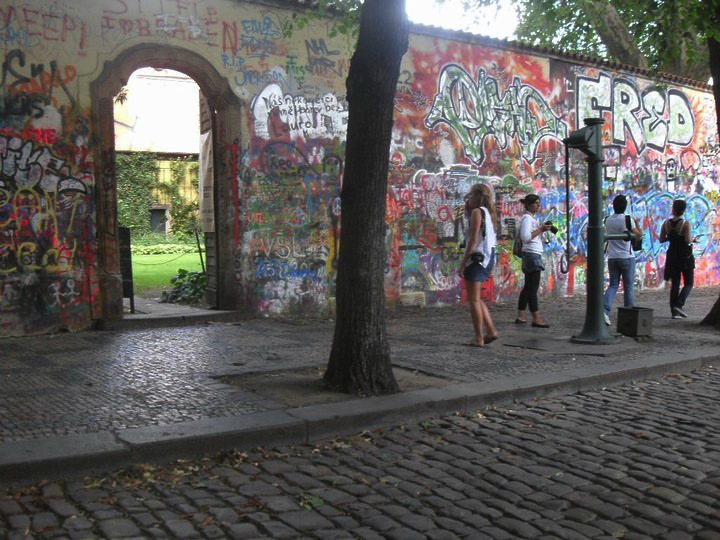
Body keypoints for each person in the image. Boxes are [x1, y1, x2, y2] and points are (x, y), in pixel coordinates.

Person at [459, 183, 499, 347]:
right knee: (477, 299)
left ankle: (478, 337)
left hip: (477, 259)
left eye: (470, 196)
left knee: (473, 300)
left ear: (476, 197)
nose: (468, 200)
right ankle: (491, 331)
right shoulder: (487, 213)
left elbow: (474, 239)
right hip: (487, 258)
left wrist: (463, 263)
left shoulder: (477, 212)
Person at [602, 195, 642, 326]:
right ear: (625, 206)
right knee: (628, 287)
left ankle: (604, 310)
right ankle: (628, 317)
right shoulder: (627, 219)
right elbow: (638, 234)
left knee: (613, 285)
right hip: (626, 257)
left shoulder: (607, 220)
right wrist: (637, 224)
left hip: (612, 257)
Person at [516, 193, 552, 327]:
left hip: (533, 254)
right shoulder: (527, 218)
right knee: (533, 288)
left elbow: (533, 236)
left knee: (528, 287)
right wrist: (540, 229)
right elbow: (525, 237)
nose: (538, 205)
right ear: (529, 205)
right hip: (532, 255)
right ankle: (536, 317)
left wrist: (542, 230)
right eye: (536, 203)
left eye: (539, 203)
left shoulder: (532, 219)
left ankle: (521, 315)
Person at [660, 199, 698, 319]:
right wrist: (694, 240)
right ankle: (679, 304)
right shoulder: (685, 223)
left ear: (673, 209)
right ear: (684, 210)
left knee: (675, 283)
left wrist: (672, 236)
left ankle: (673, 312)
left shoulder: (666, 223)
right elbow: (687, 240)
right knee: (689, 282)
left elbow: (661, 239)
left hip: (672, 256)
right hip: (684, 256)